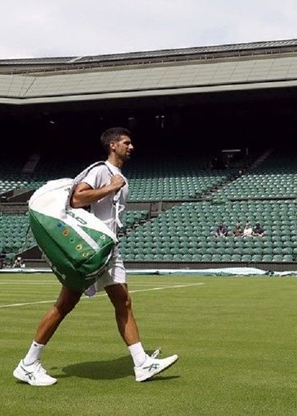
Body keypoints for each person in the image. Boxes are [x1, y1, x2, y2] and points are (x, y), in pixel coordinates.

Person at [13, 127, 178, 387]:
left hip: (109, 249)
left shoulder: (119, 175)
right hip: (91, 249)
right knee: (64, 305)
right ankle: (28, 363)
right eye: (127, 142)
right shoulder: (101, 170)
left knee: (123, 303)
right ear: (113, 145)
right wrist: (110, 188)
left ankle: (141, 363)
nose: (131, 146)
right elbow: (78, 197)